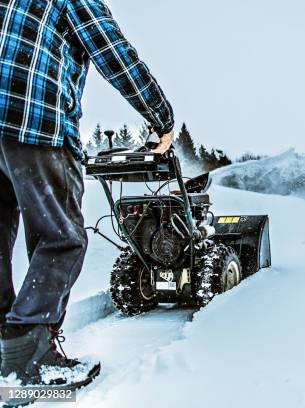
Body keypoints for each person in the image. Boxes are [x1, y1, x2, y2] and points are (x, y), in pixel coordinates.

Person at [0, 0, 174, 388]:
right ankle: (26, 363)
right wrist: (162, 118)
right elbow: (115, 54)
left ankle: (5, 350)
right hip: (33, 123)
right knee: (62, 237)